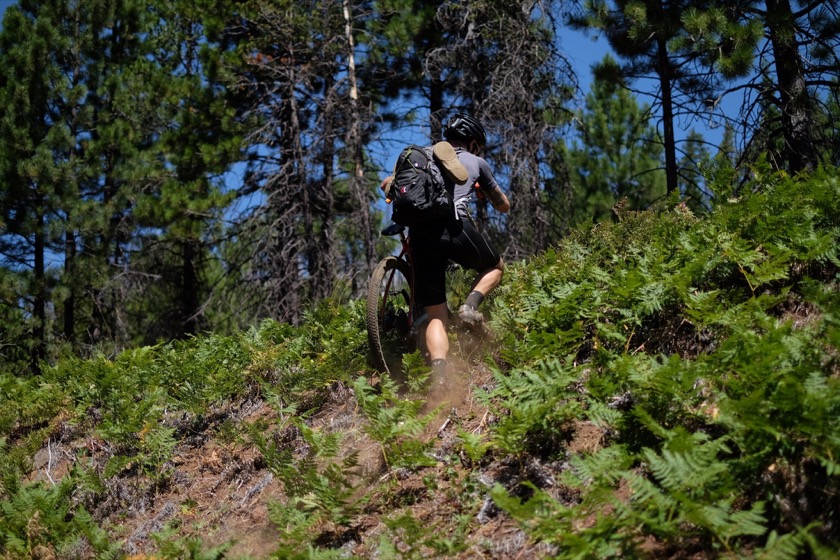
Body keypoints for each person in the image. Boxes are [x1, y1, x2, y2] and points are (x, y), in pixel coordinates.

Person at [404, 113, 510, 394]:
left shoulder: (421, 157)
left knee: (437, 315)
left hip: (420, 236)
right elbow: (504, 206)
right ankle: (469, 308)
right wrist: (482, 190)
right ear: (473, 143)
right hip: (454, 226)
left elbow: (391, 184)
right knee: (495, 266)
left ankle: (439, 378)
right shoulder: (477, 162)